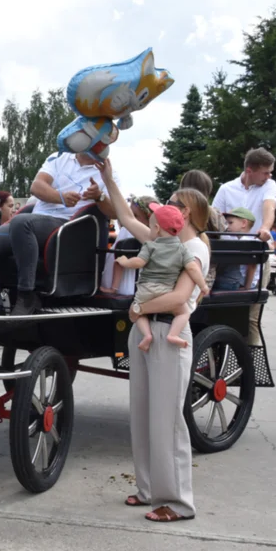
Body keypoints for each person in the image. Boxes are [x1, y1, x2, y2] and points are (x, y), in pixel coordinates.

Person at [99, 158, 211, 523]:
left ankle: (177, 502)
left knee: (167, 421)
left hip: (168, 333)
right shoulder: (165, 241)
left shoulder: (194, 249)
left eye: (176, 204)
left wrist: (137, 307)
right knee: (144, 416)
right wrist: (109, 178)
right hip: (147, 331)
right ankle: (148, 488)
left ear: (190, 212)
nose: (168, 207)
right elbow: (127, 218)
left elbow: (181, 299)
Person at [0, 151, 119, 316]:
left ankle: (26, 294)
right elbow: (36, 186)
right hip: (33, 222)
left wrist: (99, 196)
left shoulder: (107, 172)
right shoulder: (59, 157)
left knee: (22, 222)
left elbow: (115, 213)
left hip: (67, 227)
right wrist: (60, 196)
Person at [116, 203, 209, 351]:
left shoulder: (150, 246)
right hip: (166, 291)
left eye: (151, 227)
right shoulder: (182, 249)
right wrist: (203, 286)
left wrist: (125, 262)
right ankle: (173, 334)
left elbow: (139, 262)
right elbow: (192, 268)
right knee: (184, 312)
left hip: (146, 289)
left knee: (139, 314)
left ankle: (146, 335)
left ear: (157, 229)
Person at [212, 148, 276, 345]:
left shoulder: (268, 185)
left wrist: (265, 228)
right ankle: (216, 357)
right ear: (250, 170)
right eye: (265, 172)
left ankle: (250, 363)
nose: (269, 176)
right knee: (218, 311)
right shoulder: (226, 189)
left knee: (251, 318)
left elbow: (269, 206)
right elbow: (214, 217)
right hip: (229, 260)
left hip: (256, 256)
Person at [100, 195, 155, 295]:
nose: (130, 219)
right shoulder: (156, 236)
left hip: (122, 285)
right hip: (139, 285)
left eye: (135, 215)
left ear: (148, 219)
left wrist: (113, 288)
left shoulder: (128, 231)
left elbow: (120, 259)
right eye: (129, 214)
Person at [211, 208, 259, 291]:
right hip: (250, 282)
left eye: (230, 223)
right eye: (226, 223)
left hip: (242, 282)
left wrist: (246, 288)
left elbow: (252, 266)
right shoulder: (254, 241)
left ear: (244, 223)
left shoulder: (246, 242)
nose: (227, 226)